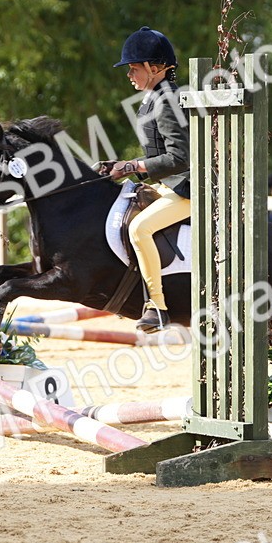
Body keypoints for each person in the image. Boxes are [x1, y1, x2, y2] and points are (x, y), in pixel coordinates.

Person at [97, 26, 189, 333]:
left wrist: (133, 165)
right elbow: (158, 155)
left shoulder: (168, 100)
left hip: (190, 188)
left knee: (140, 228)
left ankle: (157, 307)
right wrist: (124, 167)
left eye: (134, 68)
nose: (129, 74)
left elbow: (180, 158)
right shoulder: (153, 99)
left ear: (155, 67)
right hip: (169, 185)